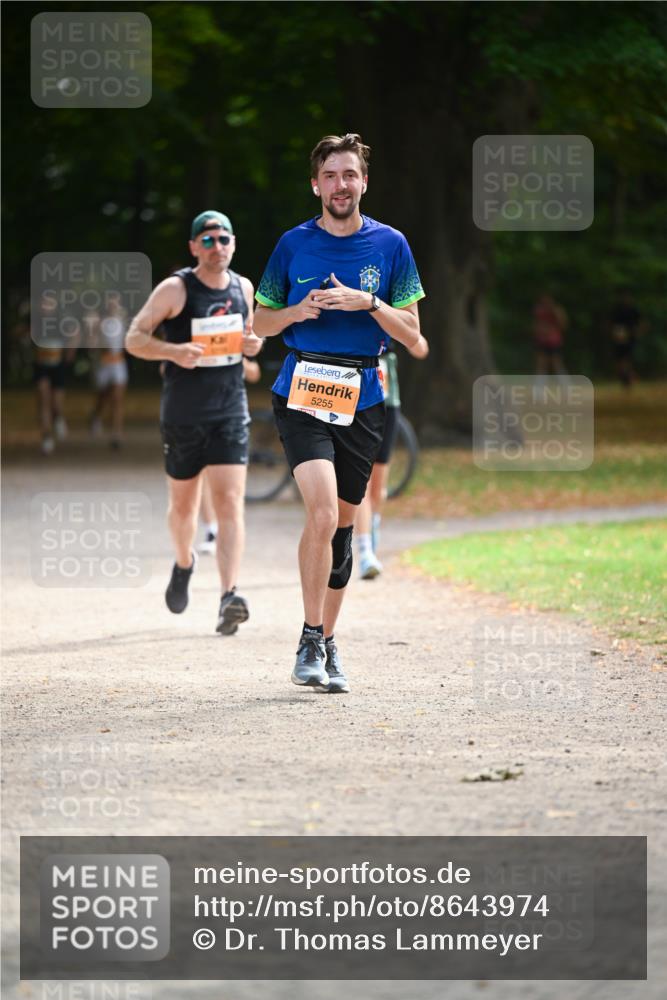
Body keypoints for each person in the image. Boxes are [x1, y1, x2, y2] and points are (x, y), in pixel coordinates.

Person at [253, 133, 425, 693]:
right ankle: (307, 636)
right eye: (330, 176)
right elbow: (260, 323)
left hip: (363, 394)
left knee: (344, 531)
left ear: (364, 182)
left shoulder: (392, 245)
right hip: (302, 387)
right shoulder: (292, 245)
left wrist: (368, 303)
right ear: (315, 184)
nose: (340, 185)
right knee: (322, 514)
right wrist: (297, 309)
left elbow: (414, 333)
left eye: (349, 174)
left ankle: (328, 641)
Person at [125, 210, 263, 634]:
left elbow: (247, 347)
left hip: (229, 412)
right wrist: (174, 352)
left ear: (234, 244)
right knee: (183, 506)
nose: (216, 246)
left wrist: (252, 346)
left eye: (223, 239)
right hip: (183, 414)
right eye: (207, 240)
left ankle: (228, 595)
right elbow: (134, 338)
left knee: (229, 503)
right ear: (193, 247)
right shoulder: (176, 288)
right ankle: (185, 562)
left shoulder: (243, 287)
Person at [356, 334, 429, 579]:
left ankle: (372, 529)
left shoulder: (388, 304)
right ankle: (365, 551)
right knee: (361, 485)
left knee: (378, 489)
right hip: (355, 402)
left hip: (387, 402)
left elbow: (420, 348)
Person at [198, 357, 261, 554]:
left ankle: (228, 530)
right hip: (198, 410)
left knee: (230, 487)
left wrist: (235, 358)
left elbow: (254, 373)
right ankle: (212, 530)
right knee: (202, 472)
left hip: (229, 414)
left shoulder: (235, 333)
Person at [32, 291, 73, 455]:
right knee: (43, 399)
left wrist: (69, 353)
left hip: (57, 366)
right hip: (41, 366)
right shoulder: (35, 319)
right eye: (44, 303)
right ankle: (46, 437)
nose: (46, 306)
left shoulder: (61, 321)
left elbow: (74, 334)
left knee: (56, 403)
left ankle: (58, 417)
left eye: (49, 303)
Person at [87, 293, 129, 449]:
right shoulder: (99, 321)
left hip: (118, 363)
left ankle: (117, 433)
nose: (113, 304)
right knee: (103, 397)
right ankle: (96, 416)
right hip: (103, 364)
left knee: (117, 398)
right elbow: (92, 343)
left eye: (115, 301)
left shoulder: (123, 321)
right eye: (110, 301)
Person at [533, 294, 569, 387]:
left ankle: (566, 386)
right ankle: (539, 388)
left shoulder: (556, 311)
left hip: (554, 341)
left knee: (556, 363)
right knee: (541, 364)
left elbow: (563, 324)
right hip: (543, 341)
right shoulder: (539, 311)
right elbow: (537, 325)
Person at [609, 289, 643, 388]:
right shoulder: (617, 310)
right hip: (619, 338)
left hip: (630, 338)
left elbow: (642, 323)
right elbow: (610, 324)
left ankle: (629, 379)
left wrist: (637, 332)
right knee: (620, 361)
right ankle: (629, 378)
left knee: (626, 360)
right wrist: (614, 334)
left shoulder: (634, 310)